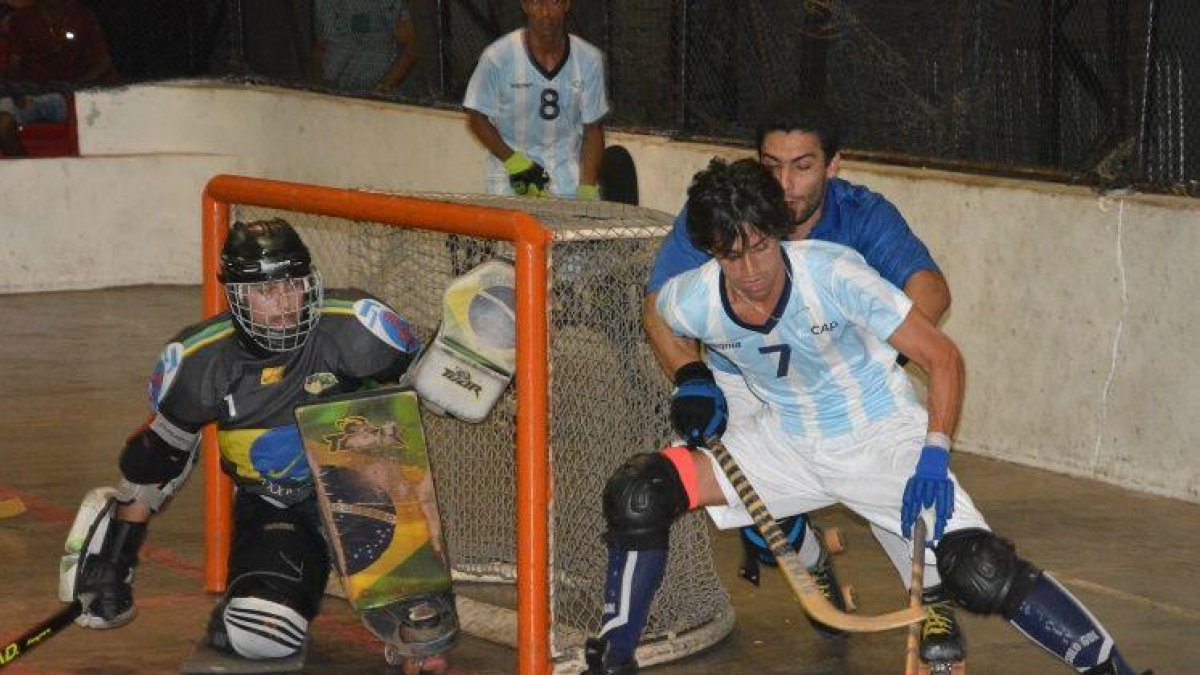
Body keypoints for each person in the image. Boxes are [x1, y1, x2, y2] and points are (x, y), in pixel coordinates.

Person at [583, 158, 1150, 675]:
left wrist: (934, 451)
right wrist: (691, 375)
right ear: (711, 251)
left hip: (881, 441)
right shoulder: (699, 294)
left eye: (760, 246)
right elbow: (657, 313)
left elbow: (942, 357)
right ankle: (613, 661)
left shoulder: (834, 276)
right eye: (731, 254)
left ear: (778, 232)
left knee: (979, 569)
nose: (750, 269)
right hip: (781, 444)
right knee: (641, 491)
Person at [71, 219, 455, 674]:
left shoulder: (356, 326)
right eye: (264, 291)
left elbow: (438, 391)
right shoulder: (200, 362)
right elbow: (156, 464)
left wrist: (469, 360)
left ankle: (407, 626)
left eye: (292, 285)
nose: (283, 304)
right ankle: (239, 617)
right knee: (262, 634)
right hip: (279, 505)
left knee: (424, 641)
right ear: (235, 294)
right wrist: (114, 560)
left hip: (372, 493)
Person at [644, 94, 951, 638]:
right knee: (763, 524)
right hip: (743, 379)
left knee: (903, 498)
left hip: (838, 388)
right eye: (771, 164)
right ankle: (812, 567)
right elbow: (658, 306)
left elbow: (929, 289)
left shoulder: (862, 214)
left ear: (833, 166)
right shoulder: (727, 212)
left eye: (803, 166)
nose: (784, 183)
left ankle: (932, 606)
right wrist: (691, 376)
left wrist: (865, 365)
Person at [462, 0, 607, 199]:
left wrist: (587, 190)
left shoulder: (589, 59)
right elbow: (475, 117)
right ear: (524, 5)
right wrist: (514, 163)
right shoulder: (497, 57)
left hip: (570, 182)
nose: (545, 12)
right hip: (511, 181)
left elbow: (594, 130)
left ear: (566, 4)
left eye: (554, 2)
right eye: (536, 2)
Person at [0, 0, 116, 157]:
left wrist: (81, 87)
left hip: (69, 96)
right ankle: (29, 176)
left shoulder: (80, 15)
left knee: (100, 121)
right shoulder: (21, 19)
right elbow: (14, 64)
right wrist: (15, 91)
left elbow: (103, 61)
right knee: (3, 124)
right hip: (28, 96)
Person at [313, 0, 422, 98]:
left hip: (383, 101)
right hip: (335, 97)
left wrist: (383, 89)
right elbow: (322, 47)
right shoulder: (324, 3)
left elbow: (412, 45)